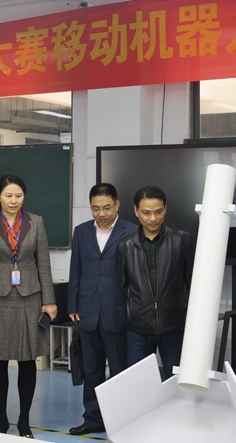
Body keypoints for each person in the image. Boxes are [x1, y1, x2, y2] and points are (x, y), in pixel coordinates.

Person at [0, 174, 56, 439]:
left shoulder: (36, 222)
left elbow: (44, 264)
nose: (14, 200)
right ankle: (1, 420)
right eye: (8, 195)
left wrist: (49, 300)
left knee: (27, 360)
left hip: (30, 297)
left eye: (18, 195)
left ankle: (24, 422)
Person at [67, 183, 137, 435]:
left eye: (106, 208)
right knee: (91, 370)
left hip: (118, 312)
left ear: (117, 205)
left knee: (119, 371)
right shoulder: (81, 231)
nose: (101, 214)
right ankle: (93, 419)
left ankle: (121, 420)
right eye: (96, 208)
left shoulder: (132, 231)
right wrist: (73, 304)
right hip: (87, 312)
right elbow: (76, 269)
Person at [115, 185, 194, 379]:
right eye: (146, 213)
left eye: (158, 212)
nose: (153, 218)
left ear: (165, 209)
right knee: (139, 383)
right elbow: (123, 285)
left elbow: (192, 282)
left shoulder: (182, 241)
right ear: (136, 211)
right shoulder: (125, 246)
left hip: (173, 328)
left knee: (176, 383)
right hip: (138, 330)